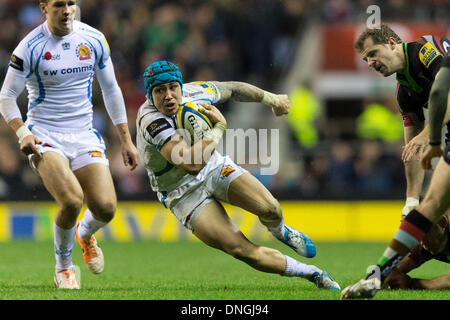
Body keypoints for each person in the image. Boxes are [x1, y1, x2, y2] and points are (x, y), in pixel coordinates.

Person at [136, 60, 340, 290]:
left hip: (212, 166)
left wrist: (272, 99)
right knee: (240, 249)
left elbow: (232, 88)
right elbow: (190, 164)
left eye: (173, 87)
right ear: (149, 95)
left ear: (181, 86)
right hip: (182, 193)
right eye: (159, 91)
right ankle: (313, 274)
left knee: (270, 208)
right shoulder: (150, 120)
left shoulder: (194, 92)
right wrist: (218, 129)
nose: (168, 96)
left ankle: (280, 230)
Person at [0, 0, 139, 289]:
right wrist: (22, 132)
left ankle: (85, 234)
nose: (66, 10)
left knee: (106, 207)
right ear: (43, 7)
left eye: (71, 3)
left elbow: (111, 89)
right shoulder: (29, 47)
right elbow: (6, 97)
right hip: (45, 135)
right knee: (73, 200)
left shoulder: (94, 39)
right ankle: (64, 268)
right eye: (59, 4)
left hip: (84, 134)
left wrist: (126, 139)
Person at [340, 54, 450, 299]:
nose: (421, 244)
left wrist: (418, 285)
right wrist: (380, 276)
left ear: (442, 226)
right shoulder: (427, 244)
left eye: (424, 235)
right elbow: (395, 274)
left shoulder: (431, 57)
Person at [353, 24, 449, 219]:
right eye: (366, 59)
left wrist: (425, 136)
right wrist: (411, 202)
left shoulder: (425, 50)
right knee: (437, 209)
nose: (370, 63)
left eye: (373, 53)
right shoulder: (404, 94)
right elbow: (411, 151)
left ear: (391, 43)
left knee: (437, 205)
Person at [387, 212, 450, 291]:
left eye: (425, 233)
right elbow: (395, 270)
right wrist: (384, 277)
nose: (422, 243)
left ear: (442, 223)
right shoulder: (428, 243)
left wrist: (412, 284)